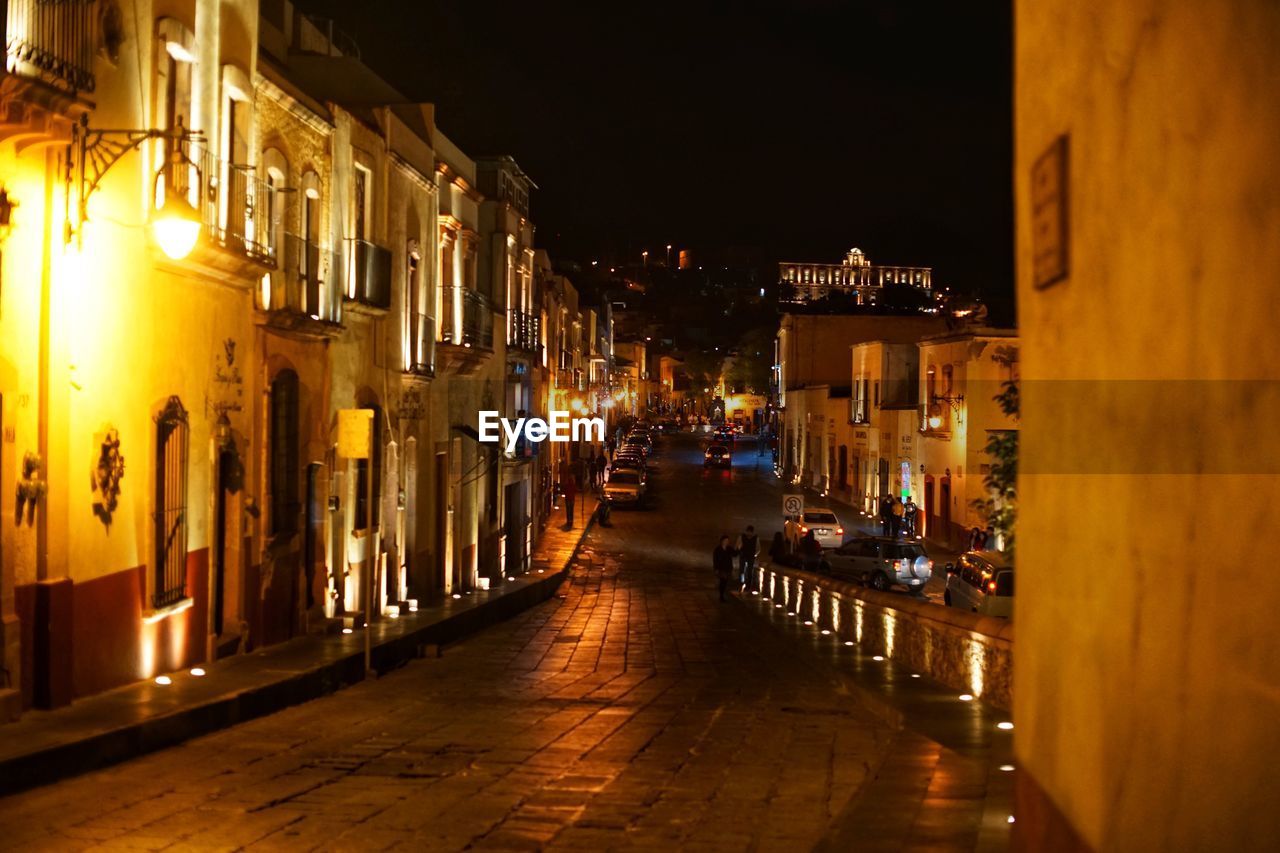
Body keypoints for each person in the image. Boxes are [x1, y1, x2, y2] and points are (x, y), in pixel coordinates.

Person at [713, 535, 738, 602]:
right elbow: (715, 559)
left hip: (728, 568)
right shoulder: (718, 549)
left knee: (725, 582)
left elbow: (735, 554)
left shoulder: (729, 548)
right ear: (722, 541)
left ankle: (722, 595)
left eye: (727, 541)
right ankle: (721, 596)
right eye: (725, 541)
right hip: (721, 568)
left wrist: (738, 548)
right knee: (722, 581)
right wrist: (716, 568)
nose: (726, 542)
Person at [736, 525, 759, 592]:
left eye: (750, 532)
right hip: (744, 556)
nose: (749, 533)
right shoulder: (742, 537)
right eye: (748, 532)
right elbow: (738, 545)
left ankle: (748, 584)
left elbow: (758, 548)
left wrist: (754, 555)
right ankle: (742, 582)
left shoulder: (755, 538)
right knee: (743, 571)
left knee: (749, 571)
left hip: (749, 556)